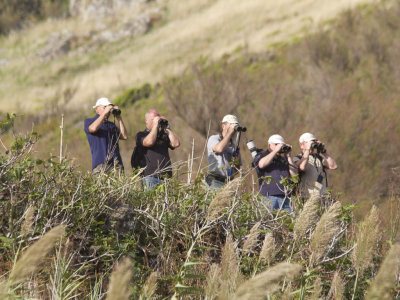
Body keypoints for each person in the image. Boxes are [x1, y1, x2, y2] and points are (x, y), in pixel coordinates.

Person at [134, 109, 180, 190]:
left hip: (166, 178)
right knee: (151, 202)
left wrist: (167, 128)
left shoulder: (164, 136)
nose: (157, 121)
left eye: (158, 119)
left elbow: (176, 144)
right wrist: (155, 125)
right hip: (150, 177)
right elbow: (149, 142)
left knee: (168, 202)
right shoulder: (141, 135)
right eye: (154, 119)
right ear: (146, 120)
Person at [254, 134, 298, 213]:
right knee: (268, 221)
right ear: (269, 145)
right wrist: (275, 151)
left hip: (286, 197)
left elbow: (294, 175)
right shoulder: (262, 155)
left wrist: (289, 157)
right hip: (268, 196)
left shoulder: (284, 159)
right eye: (276, 144)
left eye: (281, 145)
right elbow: (261, 164)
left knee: (288, 222)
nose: (279, 147)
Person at [84, 97, 128, 174]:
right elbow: (93, 129)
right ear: (97, 109)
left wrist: (119, 117)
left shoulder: (111, 125)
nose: (107, 110)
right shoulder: (89, 121)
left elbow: (124, 136)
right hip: (101, 164)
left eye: (108, 108)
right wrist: (104, 113)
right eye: (104, 107)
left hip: (116, 164)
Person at [293, 132, 338, 200]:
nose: (312, 146)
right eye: (309, 143)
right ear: (301, 145)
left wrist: (324, 151)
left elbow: (333, 166)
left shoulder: (319, 158)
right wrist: (307, 150)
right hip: (307, 196)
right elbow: (302, 167)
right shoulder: (297, 158)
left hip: (322, 195)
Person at [206, 114, 242, 188]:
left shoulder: (234, 146)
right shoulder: (214, 138)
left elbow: (237, 169)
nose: (233, 129)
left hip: (228, 182)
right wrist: (229, 133)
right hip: (214, 180)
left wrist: (236, 158)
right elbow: (219, 149)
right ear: (223, 126)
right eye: (231, 125)